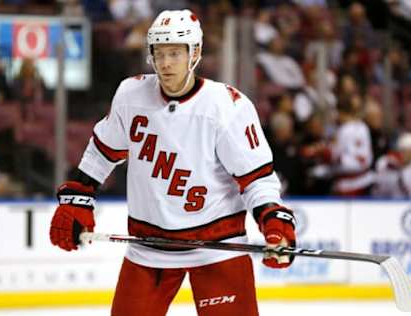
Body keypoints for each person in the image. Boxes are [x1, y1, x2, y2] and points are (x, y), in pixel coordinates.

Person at [49, 9, 297, 316]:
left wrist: (273, 221)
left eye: (175, 53)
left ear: (195, 53)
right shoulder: (131, 94)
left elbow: (256, 179)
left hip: (216, 247)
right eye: (160, 53)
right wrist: (78, 197)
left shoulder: (227, 106)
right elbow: (102, 152)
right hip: (148, 248)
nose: (165, 63)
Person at [372, 132, 411, 199]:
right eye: (406, 150)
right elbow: (379, 190)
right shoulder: (384, 162)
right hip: (385, 203)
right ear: (399, 149)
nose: (409, 155)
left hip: (408, 204)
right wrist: (391, 171)